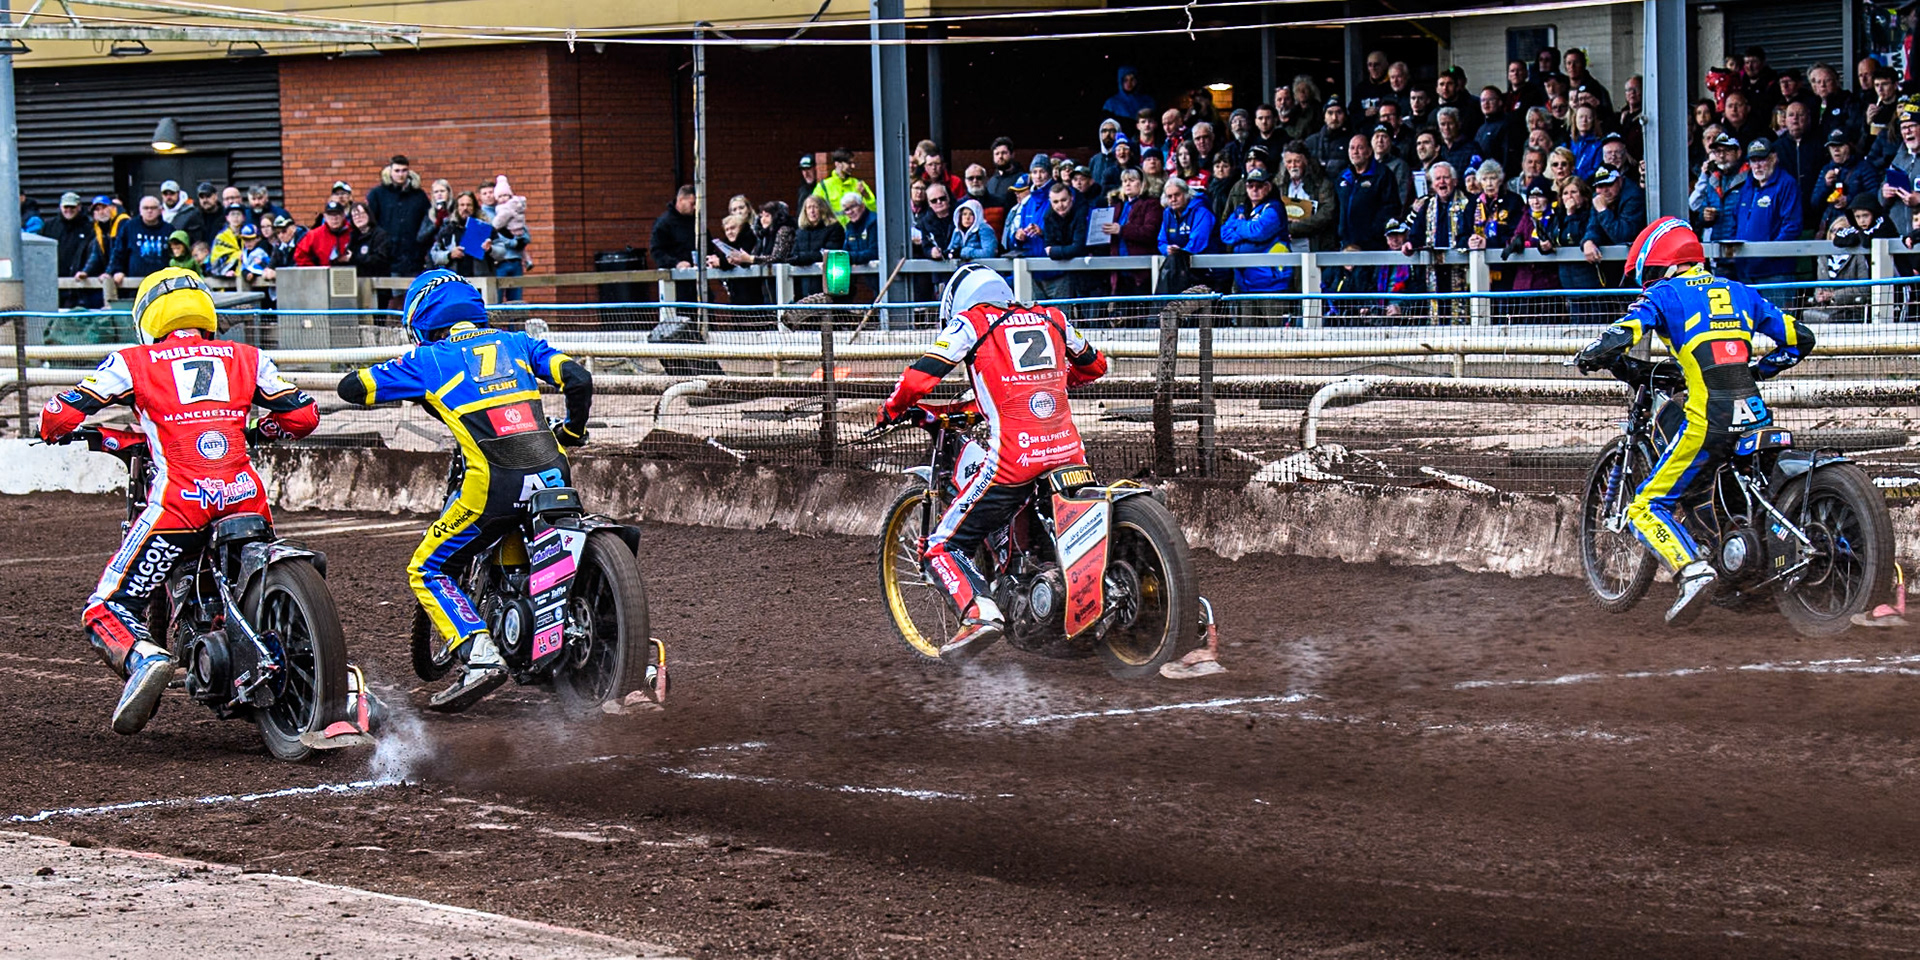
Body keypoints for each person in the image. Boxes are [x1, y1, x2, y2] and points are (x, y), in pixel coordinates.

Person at [38, 268, 319, 734]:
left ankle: (145, 658)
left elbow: (60, 415)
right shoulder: (248, 357)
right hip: (246, 498)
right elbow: (304, 416)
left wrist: (51, 426)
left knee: (105, 607)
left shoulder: (133, 361)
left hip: (181, 504)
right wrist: (257, 430)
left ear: (148, 317)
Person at [336, 271, 591, 710]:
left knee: (426, 568)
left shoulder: (429, 360)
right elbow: (579, 378)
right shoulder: (518, 342)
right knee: (532, 541)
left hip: (493, 482)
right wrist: (570, 431)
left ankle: (479, 655)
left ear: (421, 320)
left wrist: (399, 372)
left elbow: (352, 388)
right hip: (554, 472)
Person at [1573, 218, 1812, 625]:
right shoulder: (1740, 292)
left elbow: (1626, 331)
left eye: (1648, 274)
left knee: (1645, 505)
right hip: (1755, 415)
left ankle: (1693, 570)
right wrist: (1761, 370)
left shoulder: (1665, 294)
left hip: (1709, 419)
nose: (1646, 284)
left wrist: (1593, 354)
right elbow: (1800, 339)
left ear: (1664, 264)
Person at [875, 265, 1107, 660]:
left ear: (957, 304)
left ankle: (978, 614)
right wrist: (1049, 380)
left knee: (940, 546)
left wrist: (891, 408)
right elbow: (1095, 366)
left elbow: (918, 379)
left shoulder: (973, 322)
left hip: (1015, 462)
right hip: (1070, 456)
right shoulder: (1052, 316)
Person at [1726, 139, 1802, 295]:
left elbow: (1792, 226)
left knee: (1778, 312)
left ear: (1774, 158)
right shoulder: (1747, 186)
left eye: (1762, 159)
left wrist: (1768, 254)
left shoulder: (1786, 184)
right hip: (1745, 272)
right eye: (1753, 161)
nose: (1757, 166)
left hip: (1775, 273)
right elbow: (1735, 222)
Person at [365, 156, 430, 276]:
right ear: (390, 171)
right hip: (387, 257)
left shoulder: (419, 196)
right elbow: (371, 223)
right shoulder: (377, 194)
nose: (400, 175)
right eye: (397, 171)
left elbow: (426, 223)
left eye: (404, 170)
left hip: (413, 258)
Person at [108, 196, 174, 287]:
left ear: (160, 210)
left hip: (163, 284)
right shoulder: (129, 227)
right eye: (146, 208)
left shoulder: (169, 229)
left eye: (153, 208)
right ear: (140, 210)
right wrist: (117, 270)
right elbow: (119, 251)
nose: (149, 211)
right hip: (134, 284)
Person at [789, 195, 845, 297]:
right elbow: (793, 255)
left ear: (823, 209)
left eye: (815, 207)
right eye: (809, 207)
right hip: (804, 286)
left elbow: (828, 254)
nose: (812, 211)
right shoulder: (800, 232)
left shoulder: (834, 228)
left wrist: (802, 258)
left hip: (828, 285)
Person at [813, 149, 877, 224]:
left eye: (853, 163)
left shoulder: (859, 184)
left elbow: (875, 210)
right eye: (849, 163)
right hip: (833, 230)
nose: (853, 166)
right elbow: (814, 211)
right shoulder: (823, 186)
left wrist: (866, 196)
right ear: (837, 164)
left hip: (856, 229)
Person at [296, 201, 356, 268]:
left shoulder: (353, 232)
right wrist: (314, 270)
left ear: (343, 215)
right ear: (325, 217)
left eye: (337, 214)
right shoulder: (314, 235)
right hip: (324, 272)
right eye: (330, 215)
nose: (334, 218)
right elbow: (300, 254)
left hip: (351, 272)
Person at [346, 201, 394, 280]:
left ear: (368, 214)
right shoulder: (352, 237)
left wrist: (354, 258)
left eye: (361, 214)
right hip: (357, 280)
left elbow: (380, 259)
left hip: (377, 280)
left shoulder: (380, 235)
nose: (358, 218)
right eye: (354, 216)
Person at [949, 197, 998, 261]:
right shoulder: (957, 231)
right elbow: (950, 250)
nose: (967, 218)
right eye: (964, 214)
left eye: (971, 214)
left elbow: (989, 253)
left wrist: (964, 252)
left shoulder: (985, 230)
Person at [841, 193, 878, 264]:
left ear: (862, 206)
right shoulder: (849, 227)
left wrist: (850, 257)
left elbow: (874, 252)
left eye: (853, 206)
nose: (850, 212)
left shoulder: (874, 222)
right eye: (847, 209)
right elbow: (845, 251)